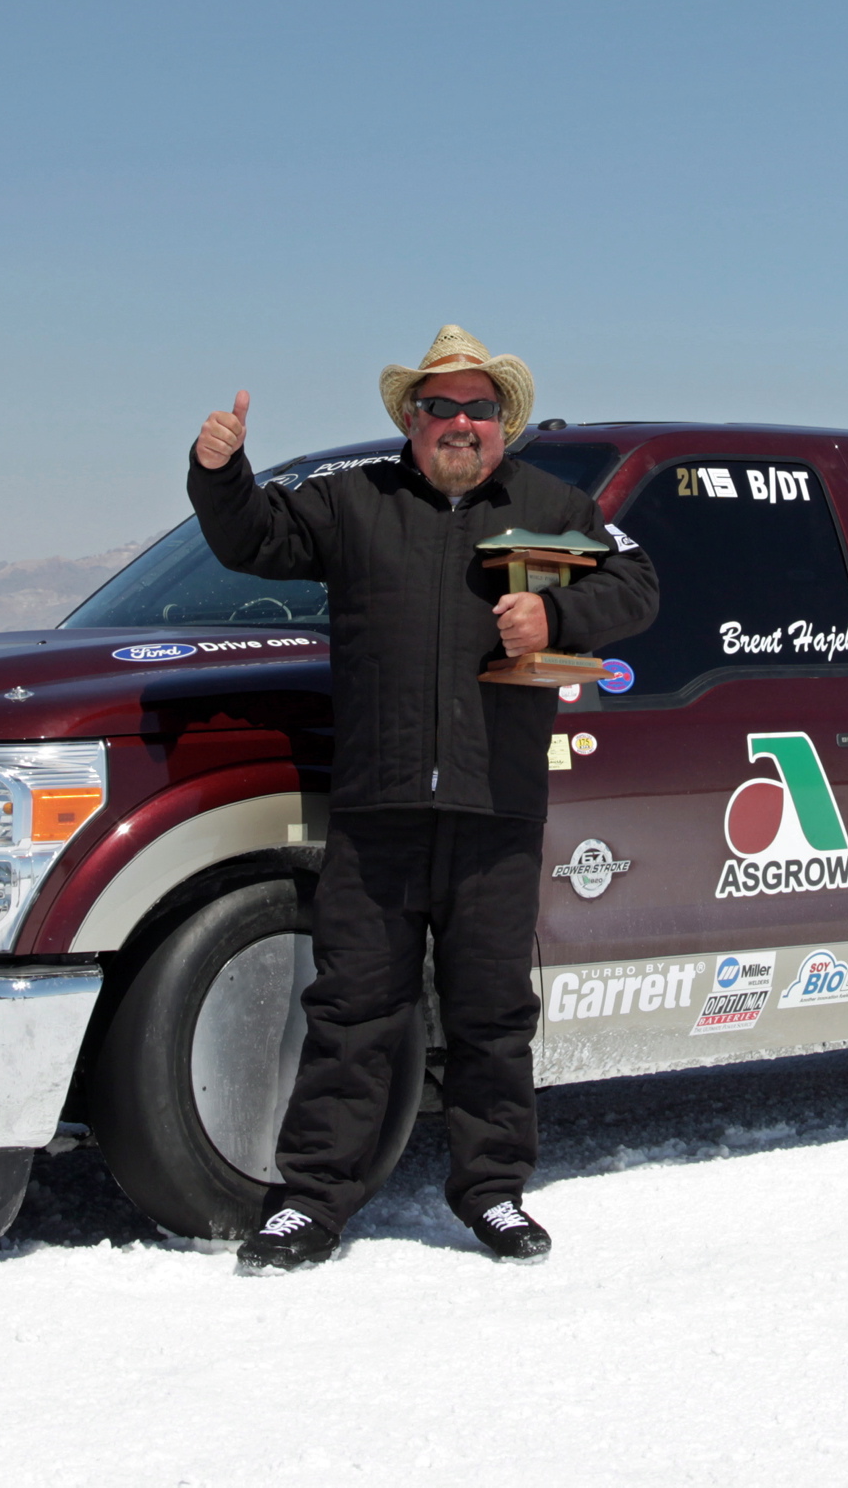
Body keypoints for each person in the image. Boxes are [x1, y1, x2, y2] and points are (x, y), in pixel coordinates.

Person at [186, 325, 659, 1272]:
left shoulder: (554, 505)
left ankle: (492, 1194)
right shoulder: (355, 501)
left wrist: (558, 613)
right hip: (379, 807)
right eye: (440, 406)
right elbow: (253, 538)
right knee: (354, 1009)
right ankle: (312, 1200)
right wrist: (218, 473)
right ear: (410, 418)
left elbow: (639, 581)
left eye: (479, 408)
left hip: (498, 810)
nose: (460, 422)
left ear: (502, 422)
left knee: (490, 1015)